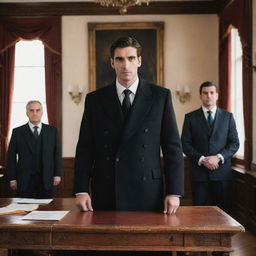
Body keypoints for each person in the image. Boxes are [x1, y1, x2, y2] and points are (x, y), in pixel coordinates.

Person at [74, 36, 184, 214]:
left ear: (139, 61)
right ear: (112, 63)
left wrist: (174, 191)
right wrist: (81, 189)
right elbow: (85, 148)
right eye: (119, 59)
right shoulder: (95, 99)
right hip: (107, 188)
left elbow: (172, 147)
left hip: (147, 188)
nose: (125, 65)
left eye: (131, 58)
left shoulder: (160, 97)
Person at [181, 81, 239, 212]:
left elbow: (235, 143)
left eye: (212, 93)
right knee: (199, 211)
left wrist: (218, 158)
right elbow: (185, 144)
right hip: (199, 173)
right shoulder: (190, 117)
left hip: (222, 173)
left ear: (217, 95)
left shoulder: (228, 117)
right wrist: (202, 159)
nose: (209, 96)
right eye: (205, 93)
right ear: (200, 96)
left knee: (223, 213)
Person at [7, 100, 61, 198]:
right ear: (27, 113)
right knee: (24, 210)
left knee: (46, 210)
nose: (35, 113)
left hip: (46, 179)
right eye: (31, 110)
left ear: (42, 112)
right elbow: (11, 157)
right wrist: (12, 178)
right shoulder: (17, 132)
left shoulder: (52, 131)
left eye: (38, 110)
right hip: (24, 180)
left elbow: (56, 154)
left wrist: (57, 174)